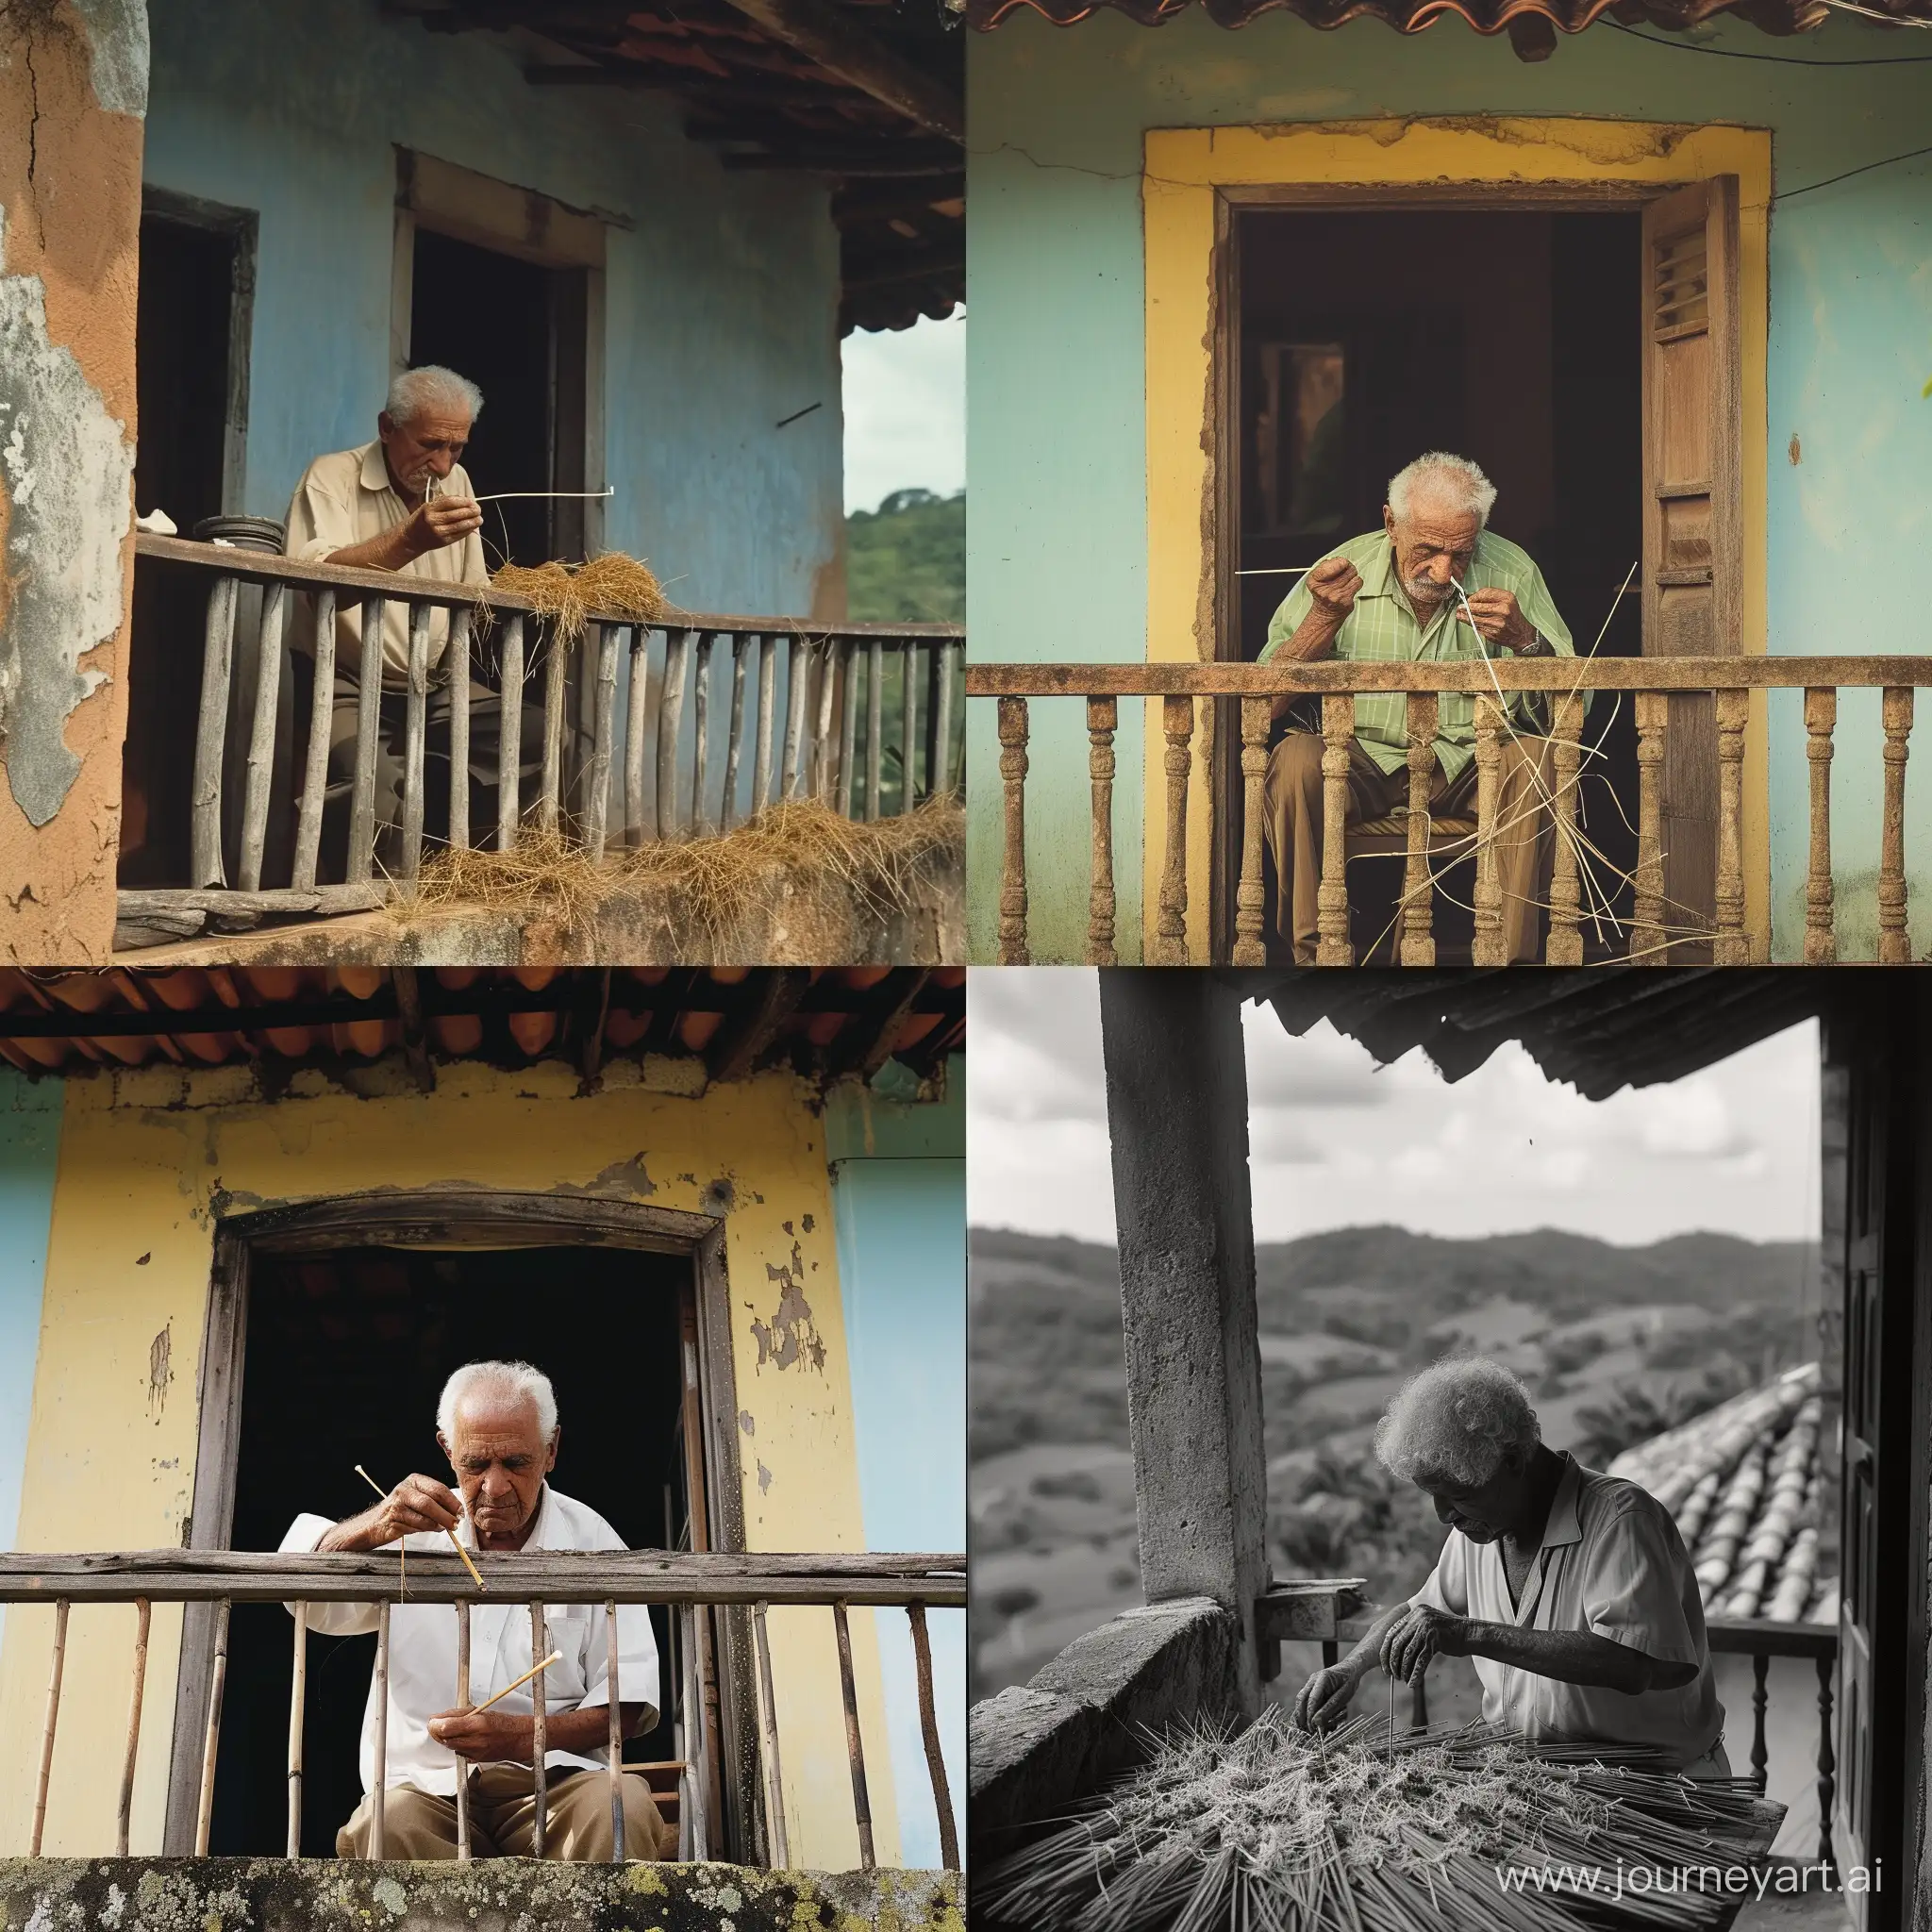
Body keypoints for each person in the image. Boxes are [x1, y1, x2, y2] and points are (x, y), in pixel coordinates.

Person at [280, 1358, 670, 1858]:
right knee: (385, 1823)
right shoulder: (409, 1531)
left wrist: (520, 1738)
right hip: (425, 1790)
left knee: (621, 1805)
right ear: (447, 1450)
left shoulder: (593, 1540)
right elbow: (304, 1597)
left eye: (516, 1463)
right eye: (476, 1464)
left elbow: (630, 1704)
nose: (495, 1487)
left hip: (556, 1788)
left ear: (550, 1451)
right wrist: (373, 1525)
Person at [1291, 1357, 1728, 1777]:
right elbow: (1418, 1610)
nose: (1444, 1515)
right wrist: (1350, 1668)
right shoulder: (1480, 1528)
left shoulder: (1621, 1520)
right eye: (1434, 1497)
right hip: (1544, 1789)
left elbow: (1634, 1664)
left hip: (1657, 1793)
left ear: (1514, 1462)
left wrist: (1470, 1634)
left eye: (1457, 1495)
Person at [1259, 452, 1579, 965]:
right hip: (1361, 761)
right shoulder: (1342, 571)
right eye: (1428, 549)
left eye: (1461, 554)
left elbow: (1573, 705)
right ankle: (1315, 958)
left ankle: (1509, 961)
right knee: (1296, 761)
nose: (1444, 570)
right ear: (1391, 523)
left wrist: (1525, 640)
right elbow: (1265, 703)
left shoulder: (1513, 570)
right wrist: (1322, 620)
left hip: (1475, 765)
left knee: (1538, 760)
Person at [283, 366, 543, 876]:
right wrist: (407, 542)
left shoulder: (456, 481)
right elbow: (315, 584)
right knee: (370, 783)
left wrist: (540, 594)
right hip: (347, 681)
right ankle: (374, 902)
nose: (444, 465)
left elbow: (475, 589)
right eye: (430, 444)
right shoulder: (331, 477)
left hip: (439, 684)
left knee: (536, 733)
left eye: (458, 449)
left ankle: (467, 867)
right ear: (387, 427)